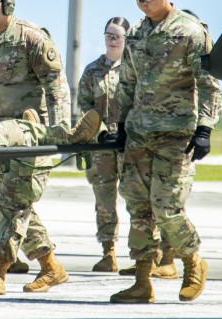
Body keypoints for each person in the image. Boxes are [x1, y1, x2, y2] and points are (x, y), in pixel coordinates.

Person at [110, 0, 222, 304]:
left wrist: (205, 127)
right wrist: (121, 124)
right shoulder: (137, 34)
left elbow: (209, 83)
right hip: (139, 133)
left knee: (166, 206)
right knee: (138, 205)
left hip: (176, 135)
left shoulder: (190, 31)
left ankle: (192, 262)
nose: (142, 5)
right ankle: (142, 281)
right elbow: (127, 80)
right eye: (137, 0)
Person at [0, 0, 72, 295]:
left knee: (14, 203)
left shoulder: (31, 39)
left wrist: (61, 129)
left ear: (7, 4)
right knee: (9, 204)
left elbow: (57, 85)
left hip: (33, 135)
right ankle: (51, 268)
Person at [77, 16, 129, 273]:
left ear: (126, 39)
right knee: (104, 199)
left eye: (117, 35)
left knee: (137, 197)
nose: (112, 40)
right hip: (101, 146)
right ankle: (108, 252)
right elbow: (84, 106)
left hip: (129, 144)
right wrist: (97, 131)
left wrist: (124, 131)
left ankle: (149, 255)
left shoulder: (134, 68)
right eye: (108, 34)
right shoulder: (92, 70)